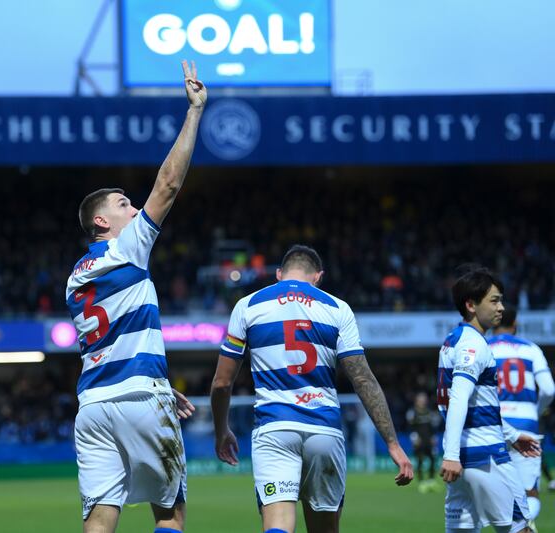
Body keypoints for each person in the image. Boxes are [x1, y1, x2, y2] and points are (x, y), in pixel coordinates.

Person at [65, 60, 206, 533]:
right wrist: (194, 112)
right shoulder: (126, 249)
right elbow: (169, 182)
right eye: (124, 204)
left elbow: (118, 337)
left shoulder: (75, 277)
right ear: (102, 222)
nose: (135, 208)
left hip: (93, 407)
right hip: (138, 398)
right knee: (169, 513)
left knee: (101, 518)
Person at [210, 245, 413, 533]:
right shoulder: (337, 308)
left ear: (279, 275)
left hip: (275, 429)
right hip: (324, 431)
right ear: (318, 277)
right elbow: (363, 380)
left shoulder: (248, 305)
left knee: (278, 527)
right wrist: (392, 443)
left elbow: (221, 382)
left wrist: (222, 430)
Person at [437, 267, 540, 533]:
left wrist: (512, 434)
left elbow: (477, 405)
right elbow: (459, 396)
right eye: (494, 300)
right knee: (520, 529)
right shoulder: (474, 345)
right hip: (487, 458)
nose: (501, 307)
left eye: (501, 300)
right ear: (471, 305)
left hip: (461, 457)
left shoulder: (452, 340)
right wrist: (450, 456)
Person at [488, 307, 555, 526]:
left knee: (495, 491)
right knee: (530, 492)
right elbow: (549, 390)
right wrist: (534, 411)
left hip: (493, 424)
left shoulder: (484, 347)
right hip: (526, 423)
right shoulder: (531, 349)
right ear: (515, 323)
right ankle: (524, 524)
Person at [406, 391, 440, 492]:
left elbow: (432, 427)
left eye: (424, 400)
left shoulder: (429, 412)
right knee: (420, 460)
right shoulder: (412, 412)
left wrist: (434, 437)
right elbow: (410, 427)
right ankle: (421, 482)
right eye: (421, 400)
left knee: (433, 459)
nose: (423, 402)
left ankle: (431, 481)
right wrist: (414, 438)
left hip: (428, 440)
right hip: (419, 441)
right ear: (417, 401)